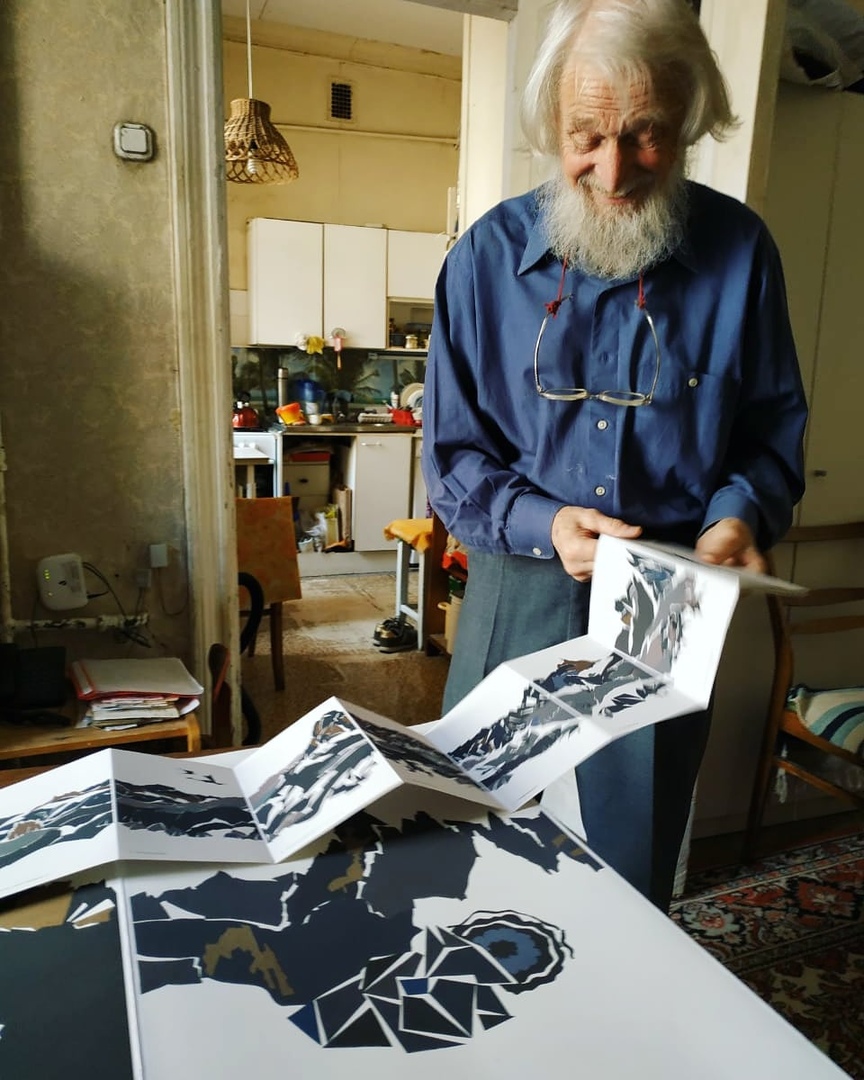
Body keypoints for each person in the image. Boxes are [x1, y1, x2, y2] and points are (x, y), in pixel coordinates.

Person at [421, 0, 808, 911]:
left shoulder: (743, 253)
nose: (614, 169)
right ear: (551, 123)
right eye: (586, 136)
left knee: (632, 866)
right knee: (479, 854)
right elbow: (452, 457)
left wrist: (735, 515)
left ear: (690, 123)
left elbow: (770, 430)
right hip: (518, 586)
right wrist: (545, 521)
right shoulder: (482, 260)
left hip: (667, 601)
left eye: (646, 135)